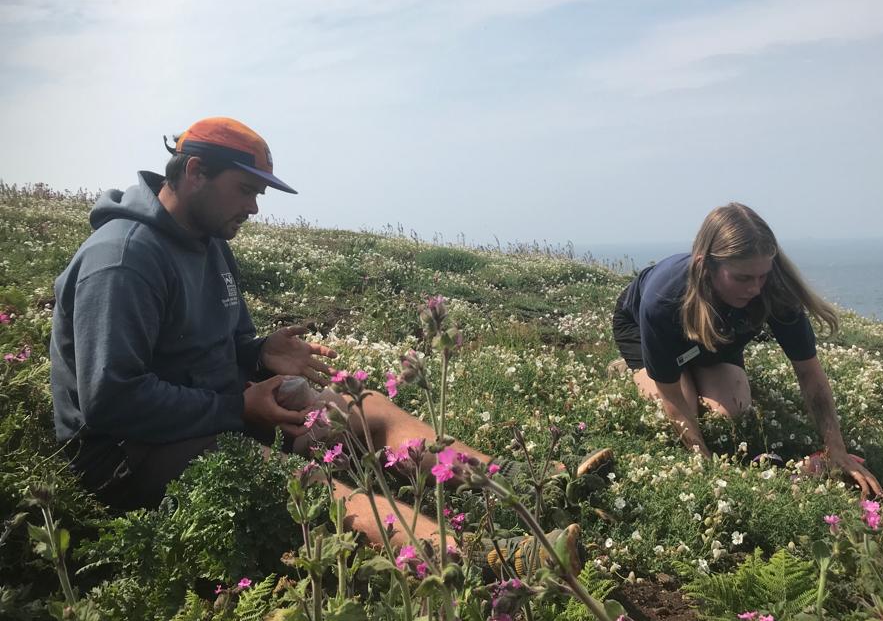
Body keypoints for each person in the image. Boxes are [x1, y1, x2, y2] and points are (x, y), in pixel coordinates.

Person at [50, 117, 594, 561]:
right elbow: (111, 401)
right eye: (245, 190)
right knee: (300, 480)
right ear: (195, 171)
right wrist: (237, 405)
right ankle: (481, 559)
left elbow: (216, 347)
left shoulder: (210, 243)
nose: (254, 208)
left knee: (369, 408)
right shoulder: (123, 259)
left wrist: (258, 353)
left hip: (220, 408)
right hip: (131, 451)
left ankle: (518, 485)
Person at [610, 203, 882, 498]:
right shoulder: (662, 299)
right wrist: (704, 462)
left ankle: (686, 366)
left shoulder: (773, 289)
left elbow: (809, 372)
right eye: (742, 278)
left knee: (732, 412)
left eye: (763, 275)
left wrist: (836, 448)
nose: (755, 288)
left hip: (716, 335)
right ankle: (642, 364)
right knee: (680, 401)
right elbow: (672, 396)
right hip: (644, 327)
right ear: (705, 267)